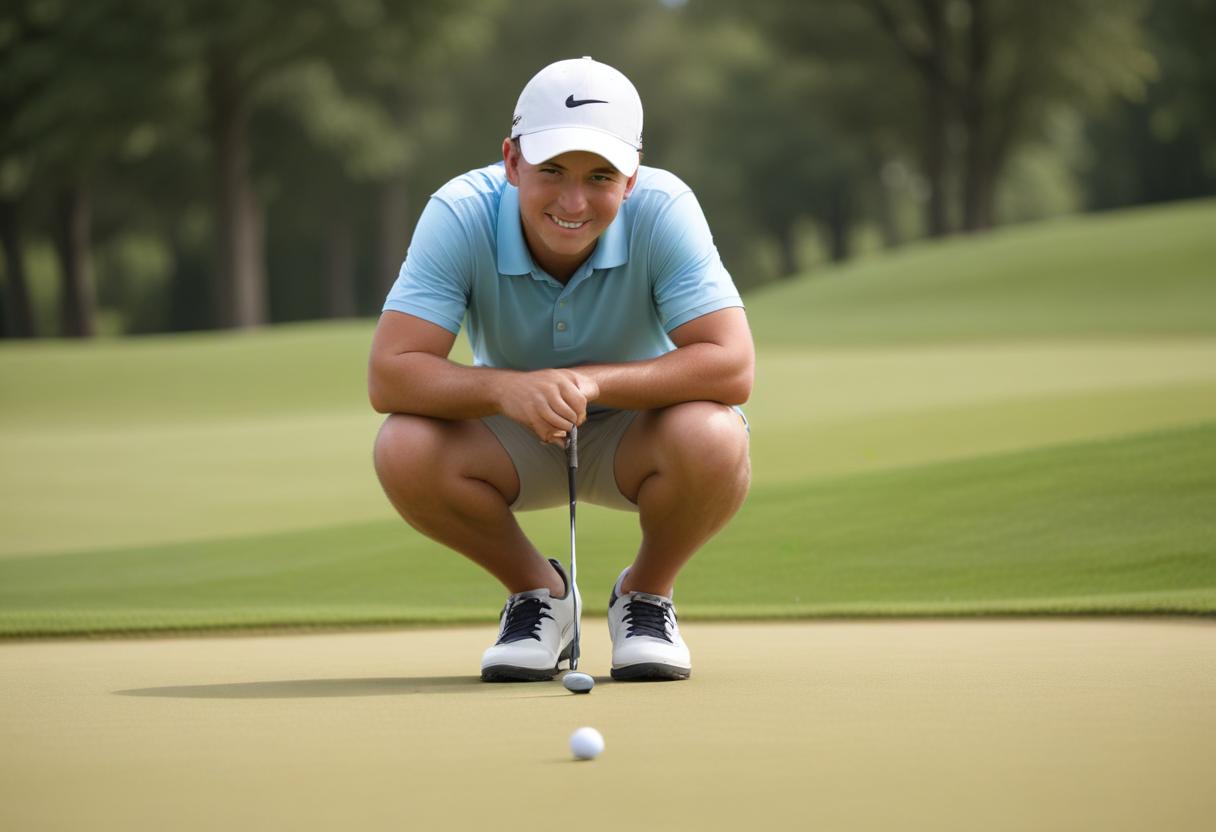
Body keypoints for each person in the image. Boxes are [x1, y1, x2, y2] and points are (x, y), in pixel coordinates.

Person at [369, 57, 753, 682]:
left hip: (641, 434)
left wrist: (595, 381)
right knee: (404, 445)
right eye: (552, 171)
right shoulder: (460, 212)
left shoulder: (664, 207)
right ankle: (541, 598)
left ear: (629, 179)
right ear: (512, 162)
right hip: (514, 434)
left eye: (600, 176)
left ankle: (647, 598)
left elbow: (732, 364)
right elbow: (391, 374)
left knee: (713, 434)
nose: (573, 201)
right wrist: (506, 389)